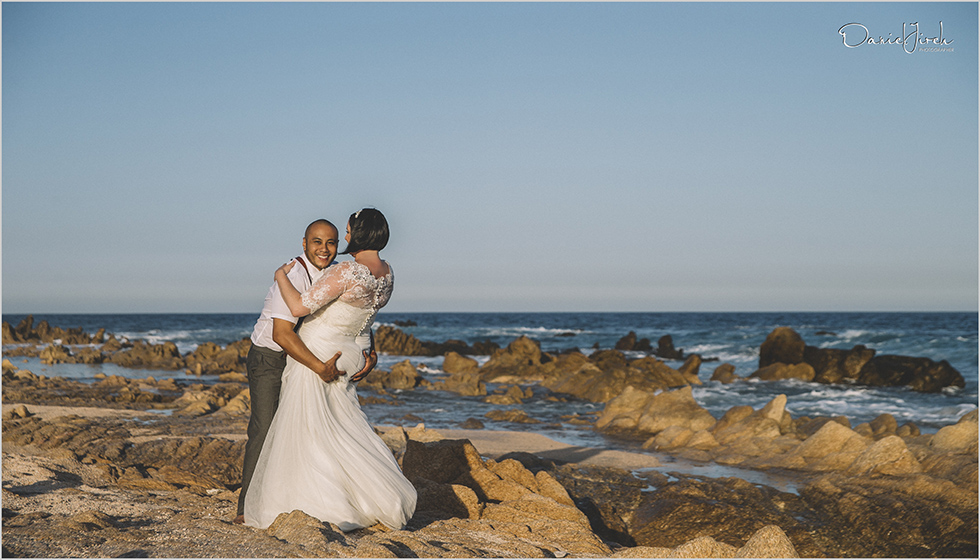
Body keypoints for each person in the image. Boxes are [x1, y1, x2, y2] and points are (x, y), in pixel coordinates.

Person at [244, 208, 416, 531]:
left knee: (309, 430)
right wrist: (369, 350)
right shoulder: (387, 273)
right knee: (339, 426)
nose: (344, 234)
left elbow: (297, 308)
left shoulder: (347, 271)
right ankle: (360, 495)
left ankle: (317, 500)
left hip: (320, 353)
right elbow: (363, 316)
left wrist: (279, 275)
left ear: (357, 232)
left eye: (346, 230)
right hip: (347, 352)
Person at [234, 219, 378, 525]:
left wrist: (371, 346)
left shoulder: (336, 271)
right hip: (270, 360)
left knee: (304, 429)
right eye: (317, 242)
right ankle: (246, 507)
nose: (324, 250)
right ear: (304, 243)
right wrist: (320, 369)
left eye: (331, 243)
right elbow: (282, 335)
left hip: (303, 360)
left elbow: (355, 312)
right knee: (265, 429)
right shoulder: (293, 275)